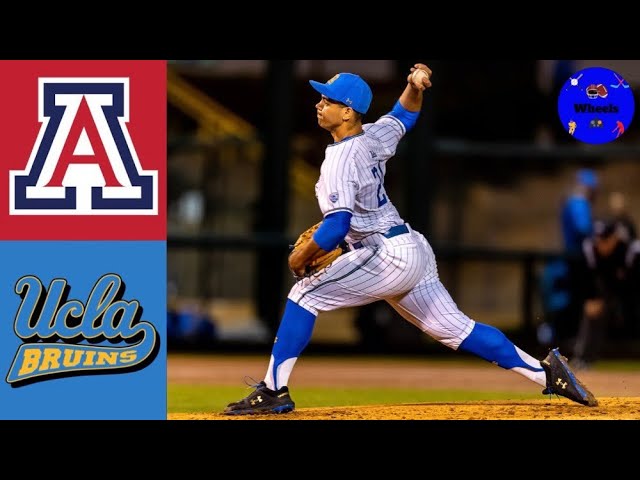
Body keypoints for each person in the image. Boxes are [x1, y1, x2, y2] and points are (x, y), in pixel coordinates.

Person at [223, 63, 598, 415]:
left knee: (304, 293)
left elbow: (337, 228)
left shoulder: (339, 160)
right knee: (456, 329)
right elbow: (405, 115)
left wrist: (303, 253)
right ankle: (548, 374)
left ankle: (273, 391)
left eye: (328, 100)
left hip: (385, 254)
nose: (319, 104)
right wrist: (414, 86)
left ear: (349, 112)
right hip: (411, 248)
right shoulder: (371, 137)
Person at [571, 219, 640, 369]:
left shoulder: (630, 249)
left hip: (629, 288)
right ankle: (583, 358)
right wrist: (591, 298)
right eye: (599, 239)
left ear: (615, 237)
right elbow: (586, 277)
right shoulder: (589, 248)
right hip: (605, 288)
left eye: (605, 239)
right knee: (592, 313)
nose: (601, 244)